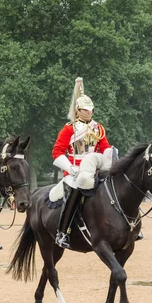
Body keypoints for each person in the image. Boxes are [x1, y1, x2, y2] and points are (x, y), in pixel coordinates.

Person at [51, 77, 112, 248]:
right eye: (85, 110)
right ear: (77, 111)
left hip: (95, 168)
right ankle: (63, 233)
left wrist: (110, 155)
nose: (88, 112)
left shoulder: (98, 128)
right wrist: (71, 169)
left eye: (90, 109)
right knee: (74, 192)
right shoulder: (69, 129)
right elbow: (57, 152)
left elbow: (104, 146)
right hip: (74, 170)